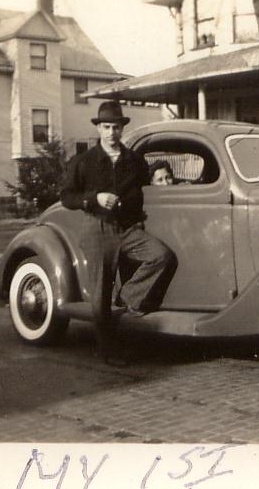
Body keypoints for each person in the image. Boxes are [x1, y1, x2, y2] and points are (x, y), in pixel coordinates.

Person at [60, 101, 174, 365]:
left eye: (116, 127)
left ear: (122, 129)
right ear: (99, 129)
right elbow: (67, 196)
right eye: (107, 127)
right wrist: (94, 198)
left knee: (161, 256)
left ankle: (126, 298)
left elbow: (145, 184)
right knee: (100, 292)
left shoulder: (133, 160)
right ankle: (106, 350)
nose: (112, 132)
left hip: (128, 229)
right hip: (97, 228)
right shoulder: (84, 161)